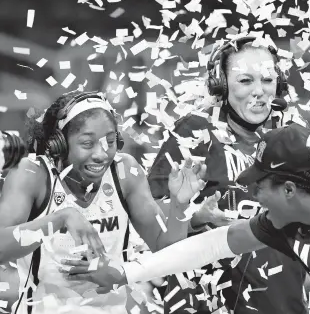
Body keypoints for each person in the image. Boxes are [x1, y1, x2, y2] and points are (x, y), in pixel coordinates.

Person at [95, 121, 310, 314]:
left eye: (261, 185)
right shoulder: (285, 223)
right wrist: (125, 273)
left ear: (290, 189)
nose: (254, 194)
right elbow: (213, 246)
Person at [0, 91, 205, 314]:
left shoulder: (125, 171)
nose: (102, 154)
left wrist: (179, 204)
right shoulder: (31, 173)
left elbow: (167, 253)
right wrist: (61, 218)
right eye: (87, 143)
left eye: (110, 142)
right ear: (59, 144)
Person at [146, 37, 307, 314]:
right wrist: (195, 217)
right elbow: (149, 223)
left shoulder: (294, 139)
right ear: (220, 85)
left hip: (282, 303)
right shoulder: (195, 132)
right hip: (207, 303)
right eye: (245, 80)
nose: (259, 91)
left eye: (267, 80)